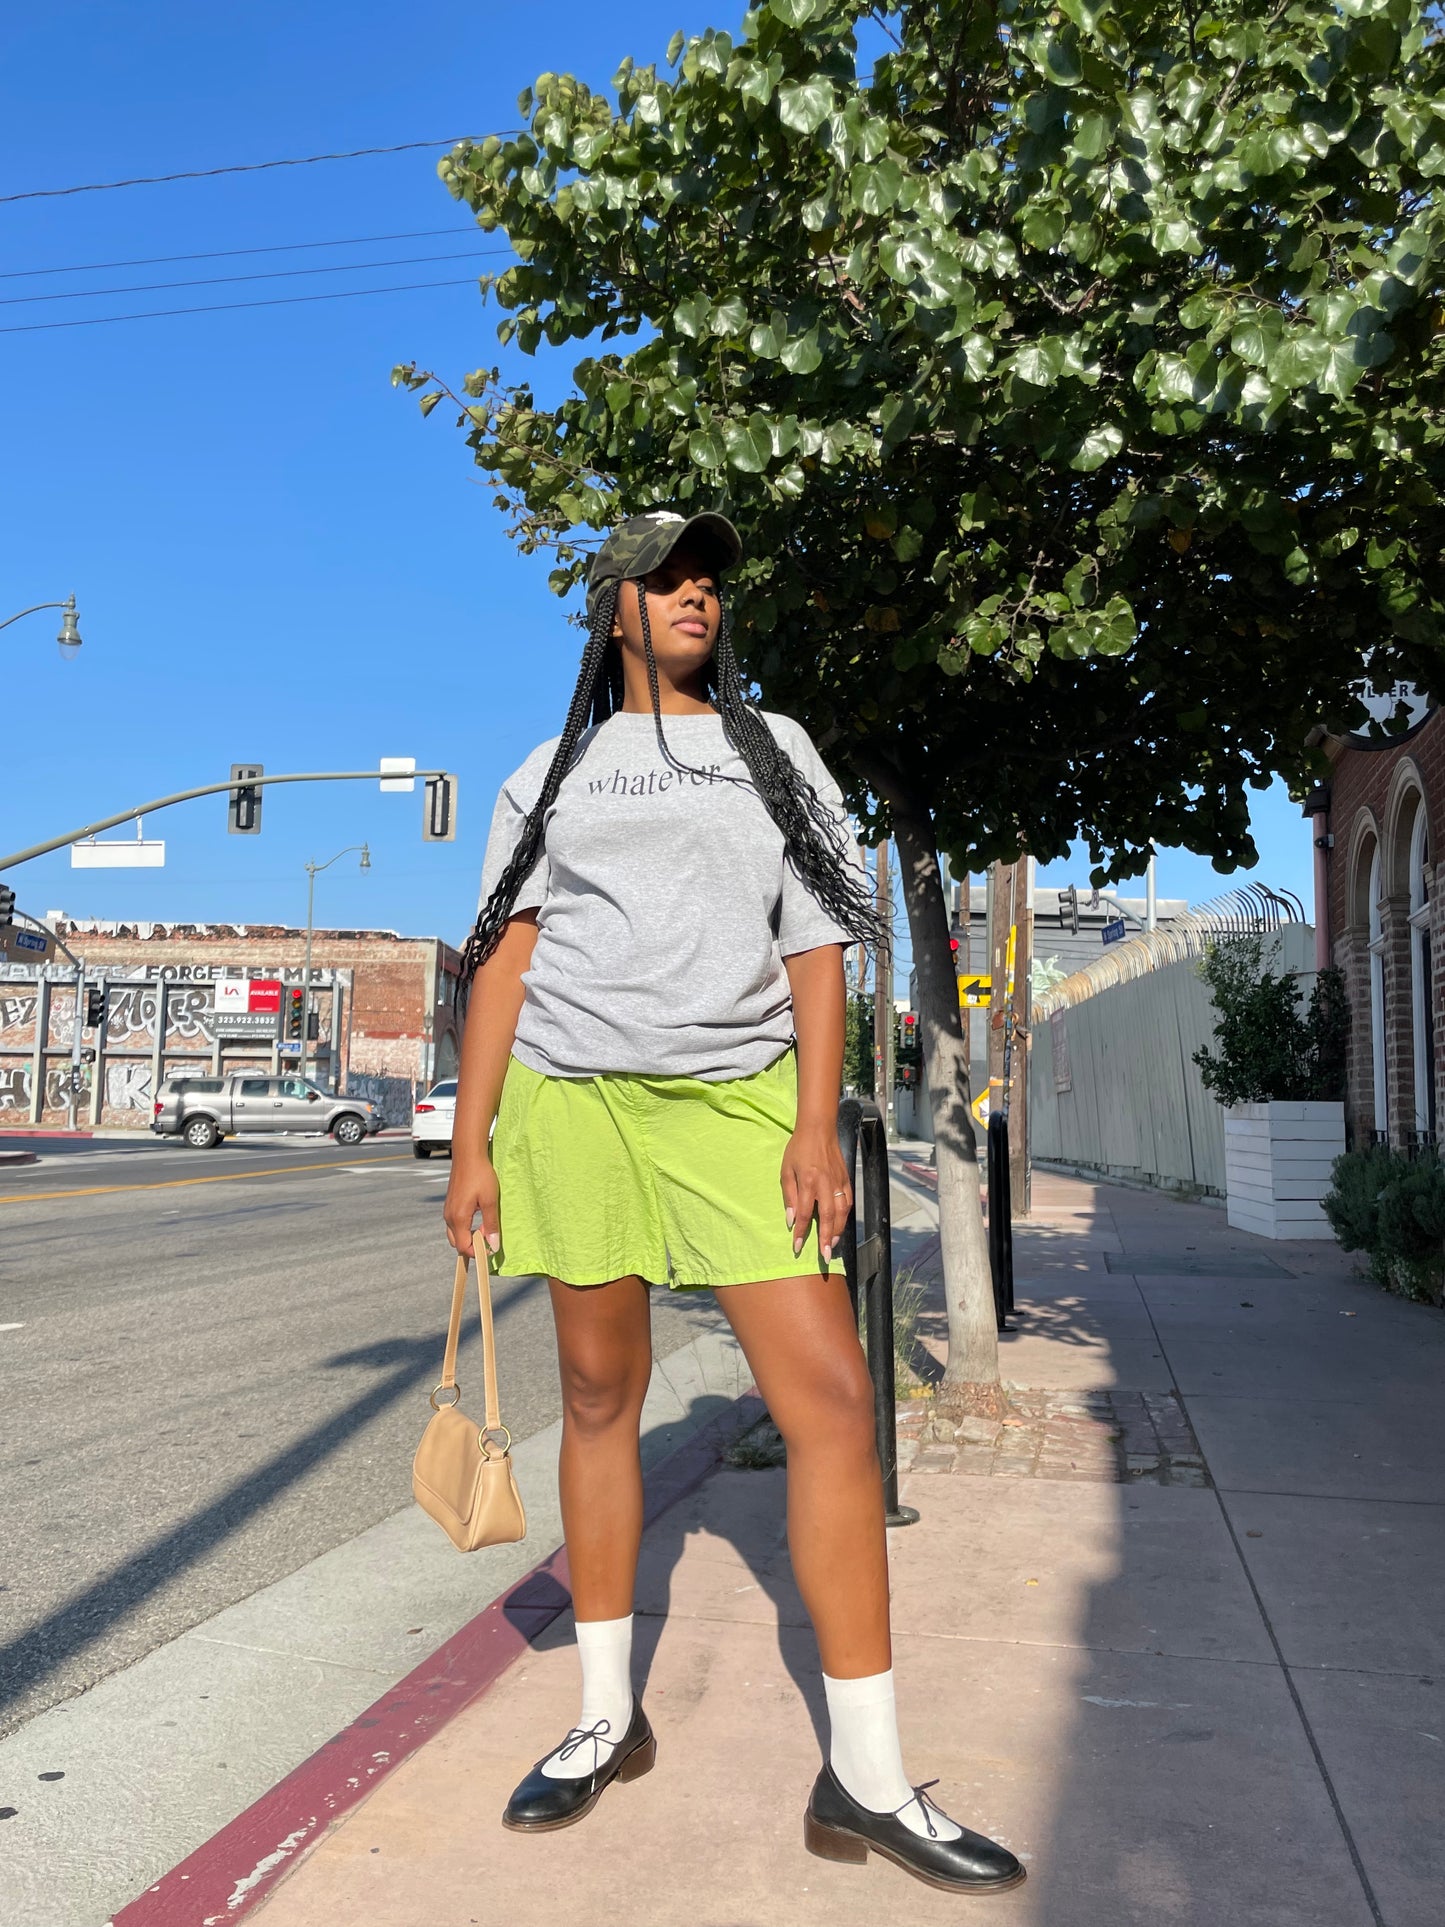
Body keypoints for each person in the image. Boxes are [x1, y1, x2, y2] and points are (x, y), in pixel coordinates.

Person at [443, 509, 1024, 1896]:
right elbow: (506, 968)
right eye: (665, 579)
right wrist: (474, 1147)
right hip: (573, 1107)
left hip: (733, 1104)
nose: (695, 595)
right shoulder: (549, 773)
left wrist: (817, 1119)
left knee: (825, 1401)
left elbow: (816, 941)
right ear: (611, 614)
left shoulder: (774, 751)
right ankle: (603, 1716)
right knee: (594, 1396)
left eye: (708, 581)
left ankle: (868, 1778)